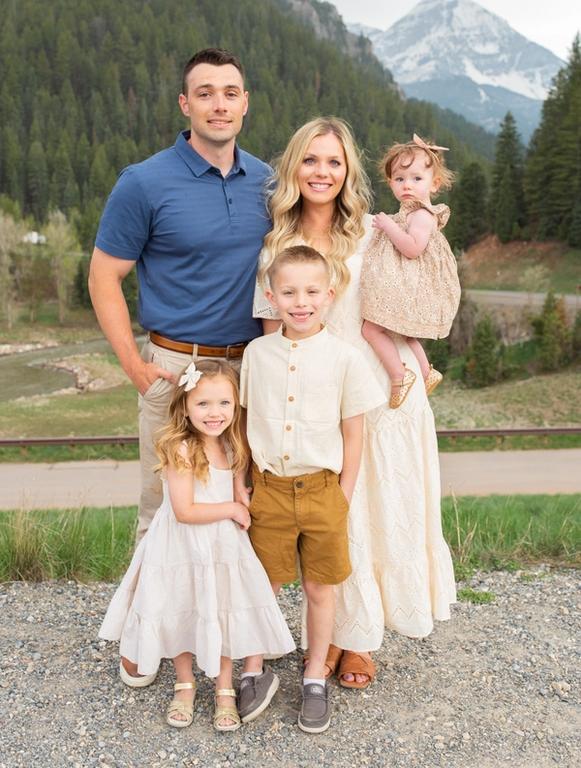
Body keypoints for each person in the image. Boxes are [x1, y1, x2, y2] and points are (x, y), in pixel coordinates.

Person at [254, 117, 456, 689]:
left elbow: (420, 287)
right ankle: (336, 631)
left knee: (377, 509)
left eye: (335, 162)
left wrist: (412, 355)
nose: (323, 172)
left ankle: (359, 638)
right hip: (313, 398)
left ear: (349, 173)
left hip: (381, 391)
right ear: (295, 168)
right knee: (334, 517)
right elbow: (271, 335)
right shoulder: (275, 242)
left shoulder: (373, 229)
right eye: (312, 160)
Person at [88, 47, 271, 542]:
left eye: (229, 93)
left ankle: (229, 621)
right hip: (175, 371)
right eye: (205, 93)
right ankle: (153, 623)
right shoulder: (144, 183)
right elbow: (103, 278)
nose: (219, 104)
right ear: (184, 104)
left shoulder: (268, 182)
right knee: (164, 514)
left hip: (250, 375)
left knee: (245, 510)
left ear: (245, 103)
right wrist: (133, 365)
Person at [99, 360, 295, 732]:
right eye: (203, 404)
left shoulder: (235, 445)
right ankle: (184, 683)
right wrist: (233, 508)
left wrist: (243, 499)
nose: (214, 413)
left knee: (219, 608)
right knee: (183, 607)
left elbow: (240, 486)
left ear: (236, 405)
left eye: (224, 403)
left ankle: (224, 688)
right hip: (182, 544)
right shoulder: (182, 448)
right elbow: (185, 510)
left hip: (222, 546)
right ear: (185, 406)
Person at [240, 245, 385, 732]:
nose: (300, 302)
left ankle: (315, 676)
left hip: (323, 488)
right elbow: (243, 423)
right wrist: (245, 484)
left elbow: (354, 431)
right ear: (271, 296)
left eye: (310, 292)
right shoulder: (257, 355)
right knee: (263, 583)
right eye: (289, 292)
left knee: (320, 587)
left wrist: (343, 494)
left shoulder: (345, 358)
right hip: (270, 489)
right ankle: (253, 670)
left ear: (330, 294)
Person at [360, 134, 461, 408]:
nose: (407, 185)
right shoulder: (409, 212)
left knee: (371, 329)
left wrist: (388, 227)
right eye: (400, 179)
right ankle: (427, 372)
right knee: (404, 333)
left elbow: (413, 248)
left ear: (434, 183)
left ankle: (399, 375)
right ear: (390, 182)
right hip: (406, 283)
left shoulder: (422, 215)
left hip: (415, 284)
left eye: (417, 179)